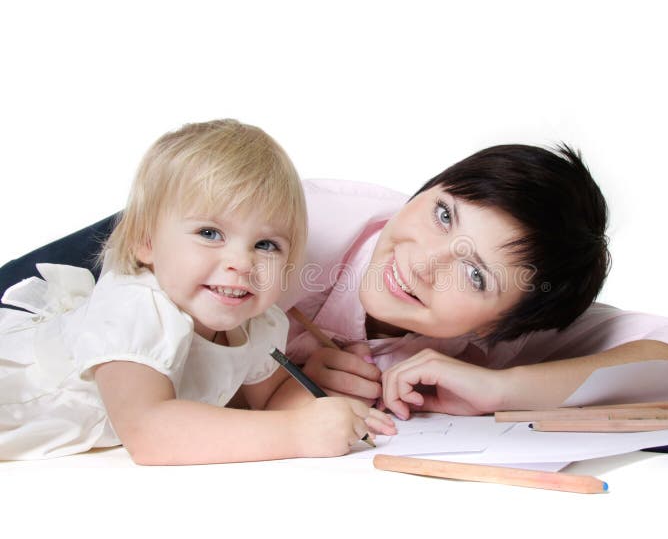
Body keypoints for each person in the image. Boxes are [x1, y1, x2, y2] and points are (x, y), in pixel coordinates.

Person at [0, 144, 668, 427]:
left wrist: (507, 387)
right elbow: (156, 268)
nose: (418, 259)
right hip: (114, 290)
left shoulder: (510, 341)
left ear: (508, 322)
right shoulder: (311, 230)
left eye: (474, 271)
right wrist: (294, 344)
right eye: (439, 211)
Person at [0, 119, 392, 463]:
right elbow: (148, 431)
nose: (242, 262)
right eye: (210, 233)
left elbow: (272, 396)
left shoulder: (258, 321)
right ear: (146, 241)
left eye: (266, 245)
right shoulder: (136, 306)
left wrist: (326, 413)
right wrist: (296, 432)